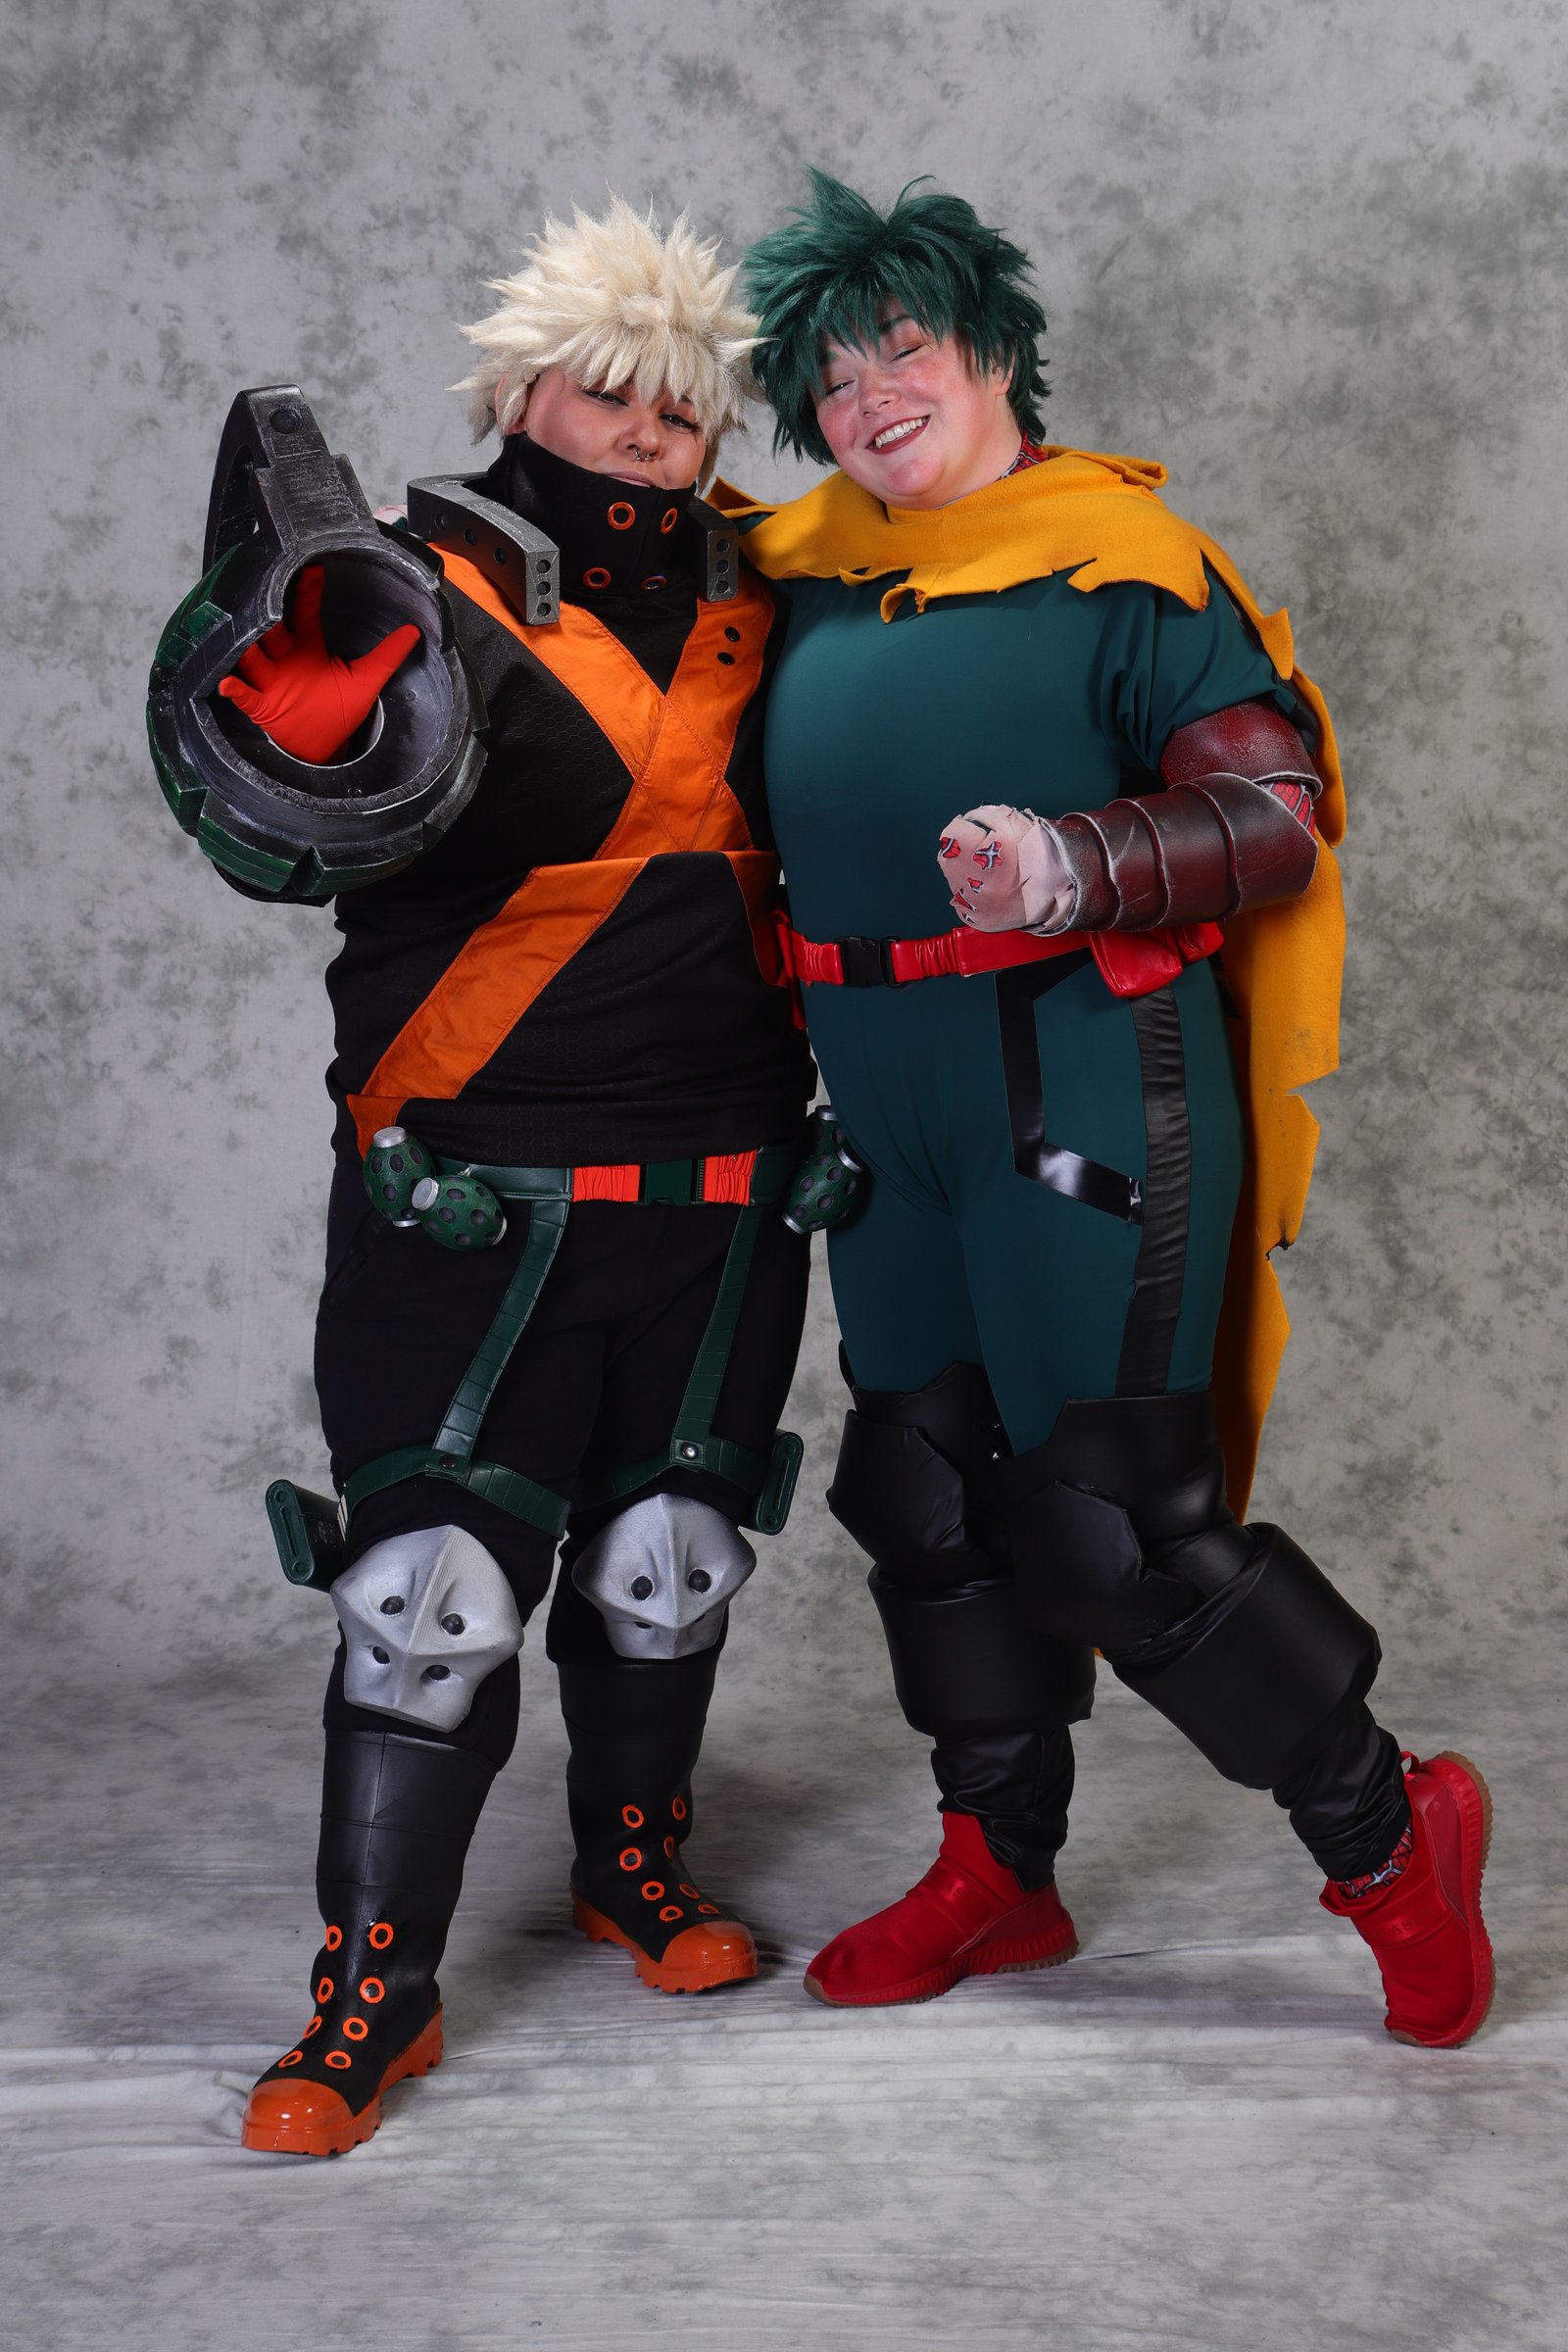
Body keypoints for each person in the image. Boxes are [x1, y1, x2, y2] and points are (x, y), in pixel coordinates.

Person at [726, 172, 1493, 2044]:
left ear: (993, 349)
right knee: (921, 1483)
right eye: (831, 380)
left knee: (1110, 1525)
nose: (870, 399)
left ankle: (1394, 1840)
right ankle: (1000, 1868)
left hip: (1072, 1070)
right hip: (881, 1097)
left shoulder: (1124, 566)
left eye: (903, 350)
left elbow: (1272, 811)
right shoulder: (799, 578)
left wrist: (1077, 862)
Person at [153, 200, 814, 2154]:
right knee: (427, 1595)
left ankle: (633, 1862)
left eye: (677, 406)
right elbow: (267, 825)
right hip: (468, 1184)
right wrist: (295, 702)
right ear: (521, 392)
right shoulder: (402, 586)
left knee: (667, 1562)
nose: (641, 432)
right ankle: (376, 1986)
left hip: (725, 1179)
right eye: (603, 394)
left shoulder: (777, 597)